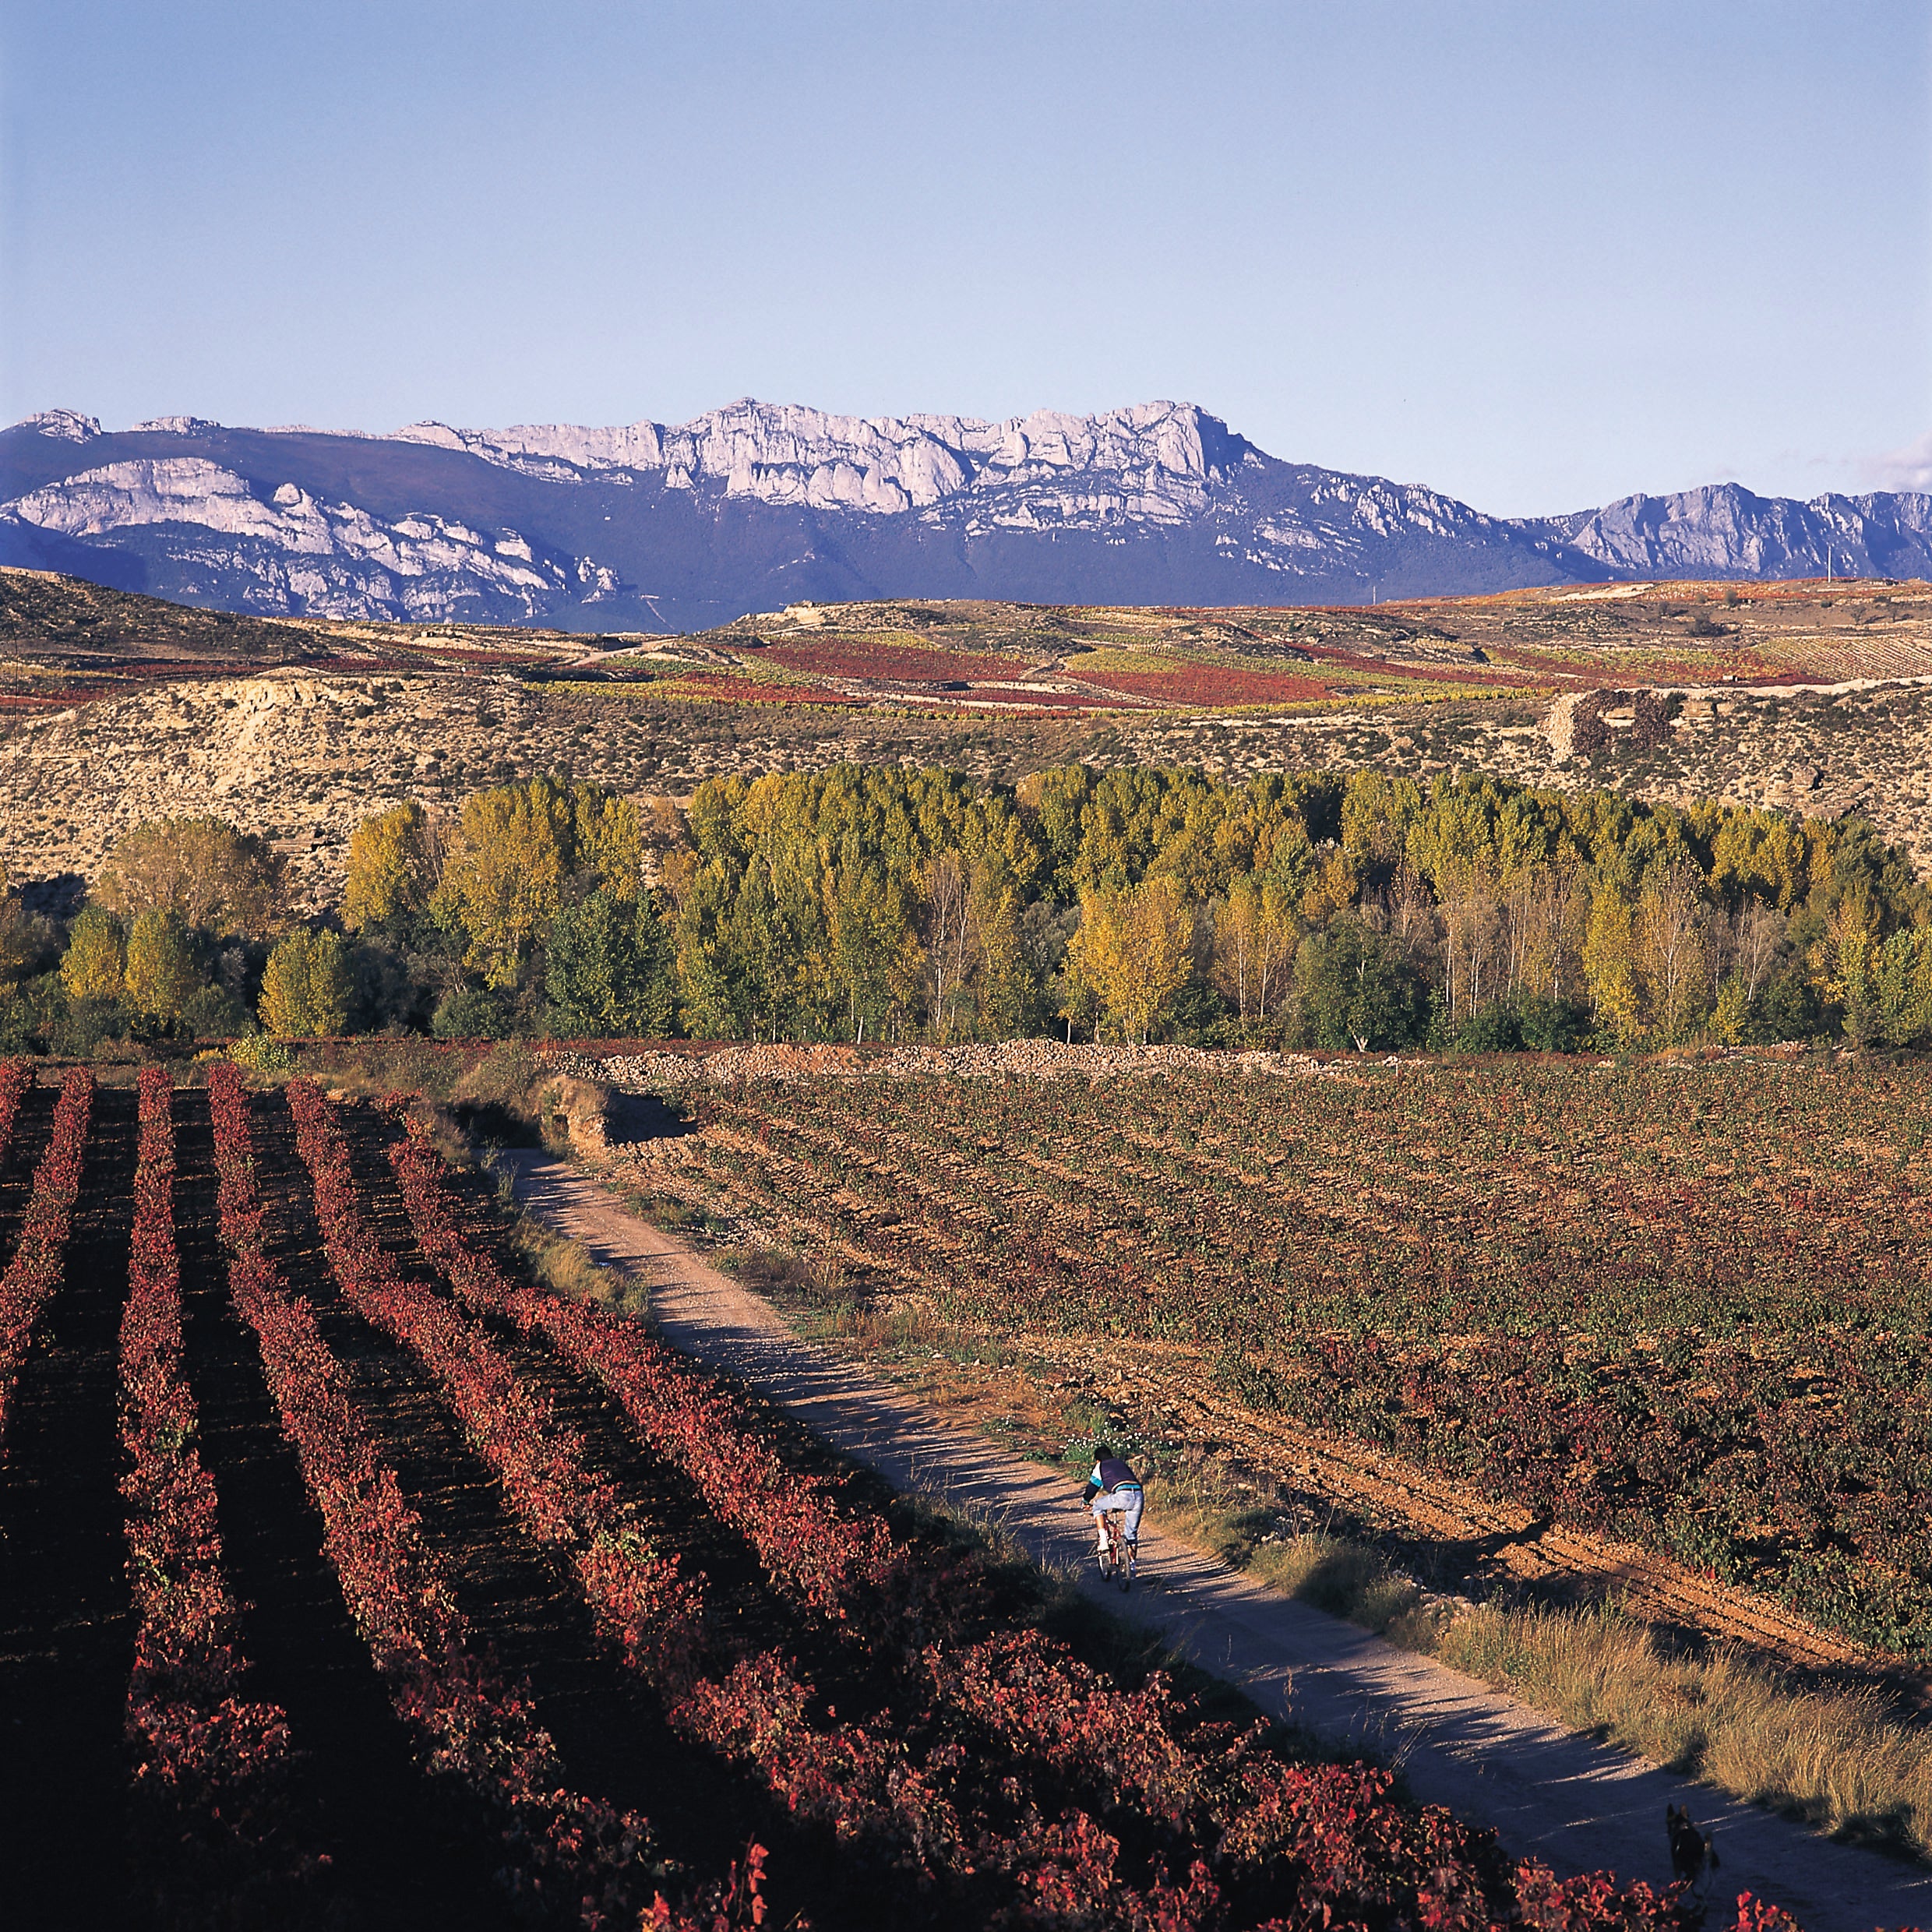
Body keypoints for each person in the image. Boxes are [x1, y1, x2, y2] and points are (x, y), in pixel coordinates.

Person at [1083, 1444, 1144, 1565]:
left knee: (1097, 1505)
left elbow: (1093, 1487)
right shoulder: (1121, 1463)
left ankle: (1104, 1540)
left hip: (1122, 1495)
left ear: (1097, 1460)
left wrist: (1085, 1500)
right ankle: (1131, 1567)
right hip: (1139, 1495)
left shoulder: (1100, 1466)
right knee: (1131, 1534)